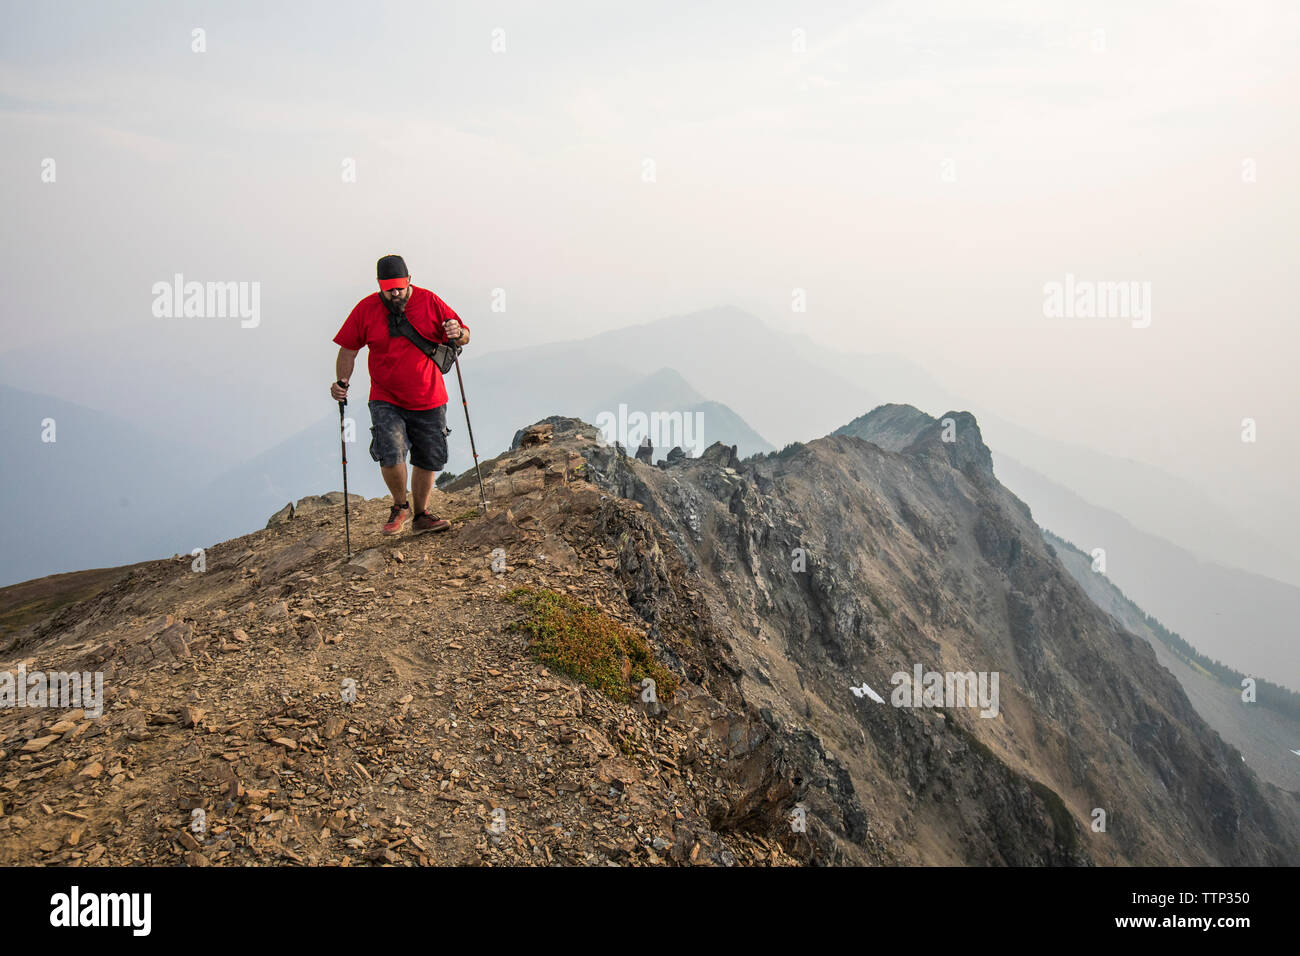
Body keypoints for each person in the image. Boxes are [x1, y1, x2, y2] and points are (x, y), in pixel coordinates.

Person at [329, 254, 470, 535]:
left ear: (409, 281)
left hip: (430, 395)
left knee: (428, 457)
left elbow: (462, 335)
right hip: (385, 396)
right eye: (389, 288)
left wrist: (459, 331)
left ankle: (421, 515)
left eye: (400, 288)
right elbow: (348, 348)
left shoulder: (430, 301)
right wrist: (342, 381)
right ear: (380, 285)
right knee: (390, 452)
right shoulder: (366, 309)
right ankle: (400, 506)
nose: (395, 293)